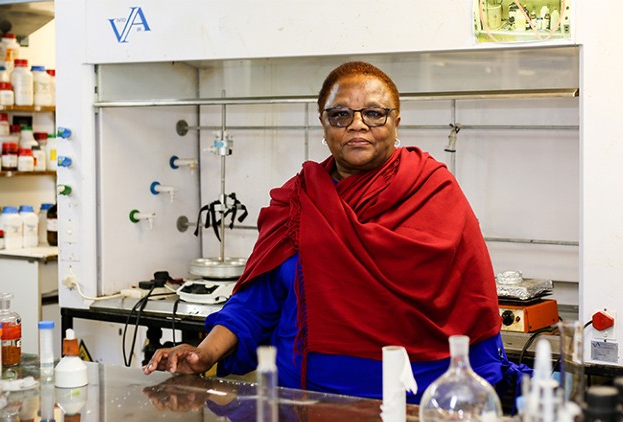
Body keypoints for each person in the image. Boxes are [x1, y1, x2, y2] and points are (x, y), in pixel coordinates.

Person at [144, 61, 530, 404]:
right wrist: (205, 353)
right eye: (341, 114)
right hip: (302, 402)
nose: (358, 124)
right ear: (323, 123)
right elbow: (257, 303)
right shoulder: (298, 200)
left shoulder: (434, 193)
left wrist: (482, 389)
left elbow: (471, 305)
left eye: (375, 113)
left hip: (417, 405)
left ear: (397, 121)